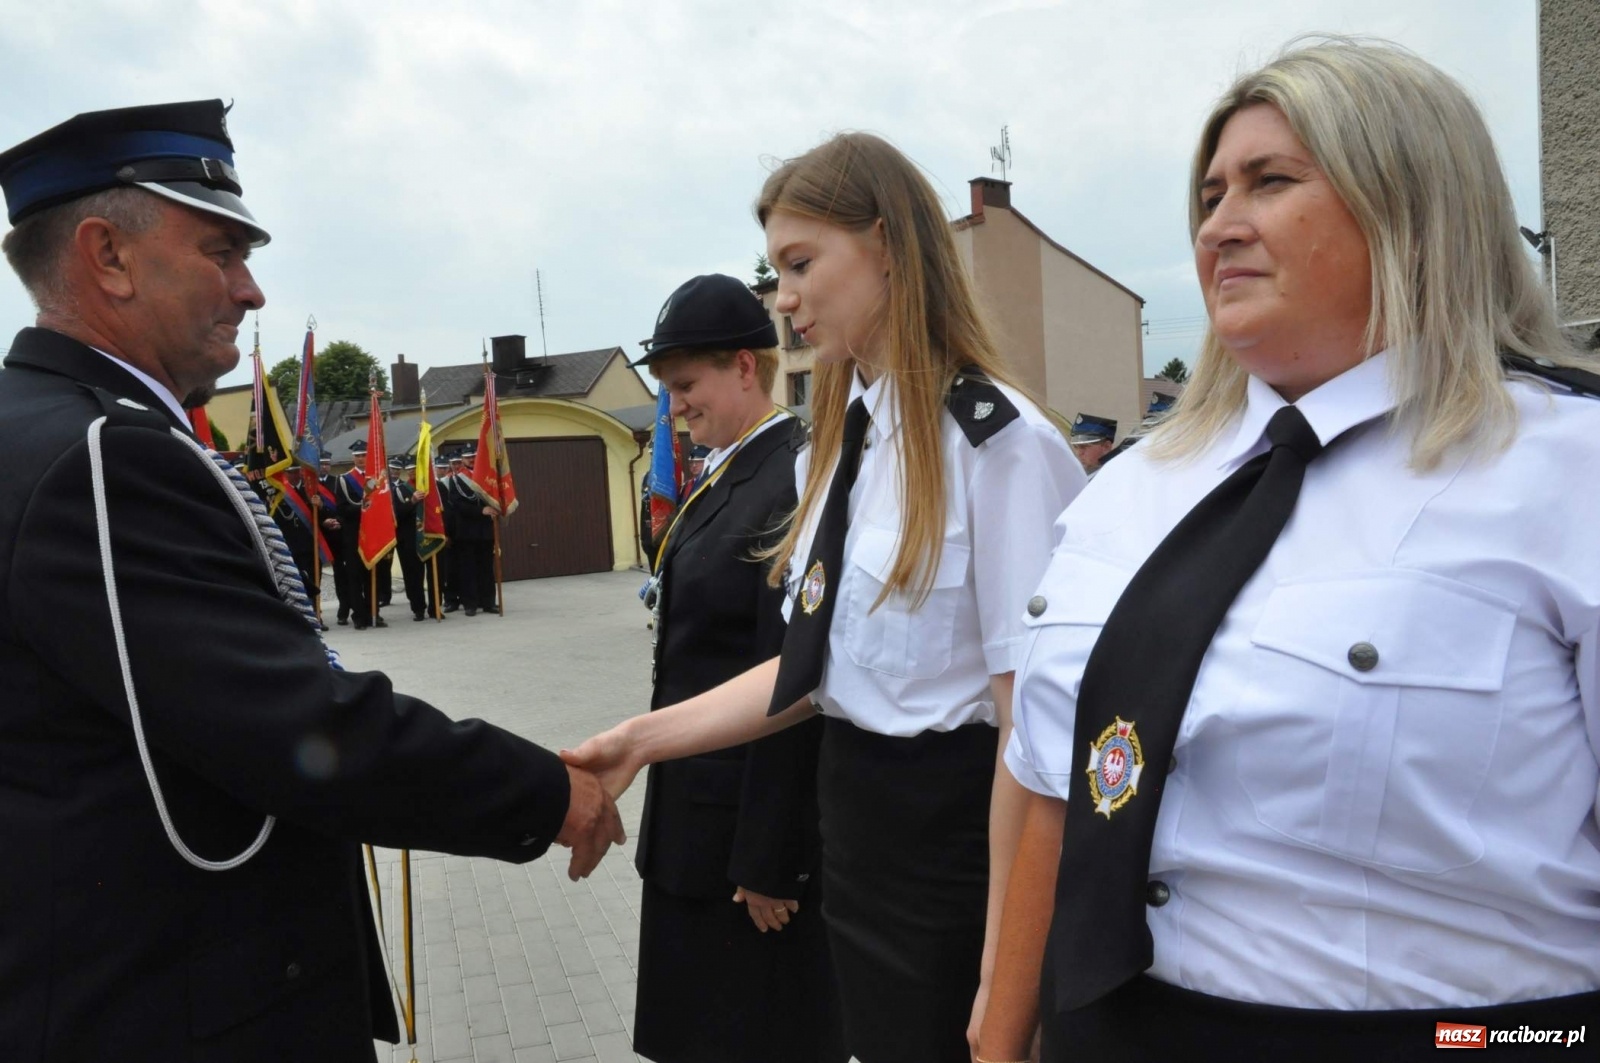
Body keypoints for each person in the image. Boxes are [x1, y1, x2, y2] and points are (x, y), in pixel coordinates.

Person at [979, 38, 1600, 1063]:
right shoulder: (1126, 495)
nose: (1218, 228)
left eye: (1270, 183)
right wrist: (1001, 1038)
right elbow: (1052, 788)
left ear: (1407, 202)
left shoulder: (1567, 471)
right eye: (1210, 196)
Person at [0, 99, 624, 1062]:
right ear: (107, 256)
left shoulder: (44, 427)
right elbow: (296, 724)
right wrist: (547, 792)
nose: (251, 290)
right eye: (221, 251)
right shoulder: (104, 455)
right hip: (177, 1005)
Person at [565, 132, 1086, 1063]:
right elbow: (812, 671)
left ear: (887, 244)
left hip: (951, 861)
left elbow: (1033, 738)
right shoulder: (837, 450)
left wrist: (1007, 981)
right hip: (853, 847)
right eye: (776, 271)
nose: (785, 299)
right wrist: (637, 742)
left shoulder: (998, 448)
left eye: (801, 264)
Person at [628, 273, 845, 1063]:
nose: (675, 406)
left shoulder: (793, 477)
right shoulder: (728, 473)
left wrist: (772, 859)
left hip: (747, 865)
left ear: (746, 368)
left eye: (687, 385)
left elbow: (795, 679)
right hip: (693, 840)